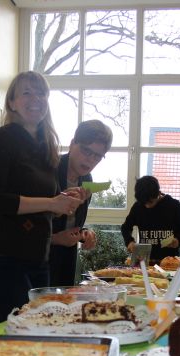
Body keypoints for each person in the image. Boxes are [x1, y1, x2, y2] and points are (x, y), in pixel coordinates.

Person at [0, 71, 83, 322]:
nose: (35, 99)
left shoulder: (46, 146)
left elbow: (43, 206)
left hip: (38, 257)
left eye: (41, 93)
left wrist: (63, 200)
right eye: (27, 93)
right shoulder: (0, 139)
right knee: (24, 328)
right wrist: (52, 202)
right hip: (5, 257)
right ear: (12, 102)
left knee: (40, 328)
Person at [49, 120, 113, 286]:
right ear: (72, 144)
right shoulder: (48, 171)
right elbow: (25, 226)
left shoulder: (86, 179)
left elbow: (70, 221)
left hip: (65, 261)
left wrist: (83, 233)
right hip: (37, 262)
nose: (90, 160)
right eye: (86, 150)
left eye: (97, 156)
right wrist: (55, 239)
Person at [120, 176, 180, 264]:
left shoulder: (174, 205)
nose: (147, 206)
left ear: (158, 193)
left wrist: (178, 240)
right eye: (144, 203)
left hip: (169, 262)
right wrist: (129, 241)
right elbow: (125, 227)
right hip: (144, 261)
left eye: (150, 202)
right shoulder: (138, 207)